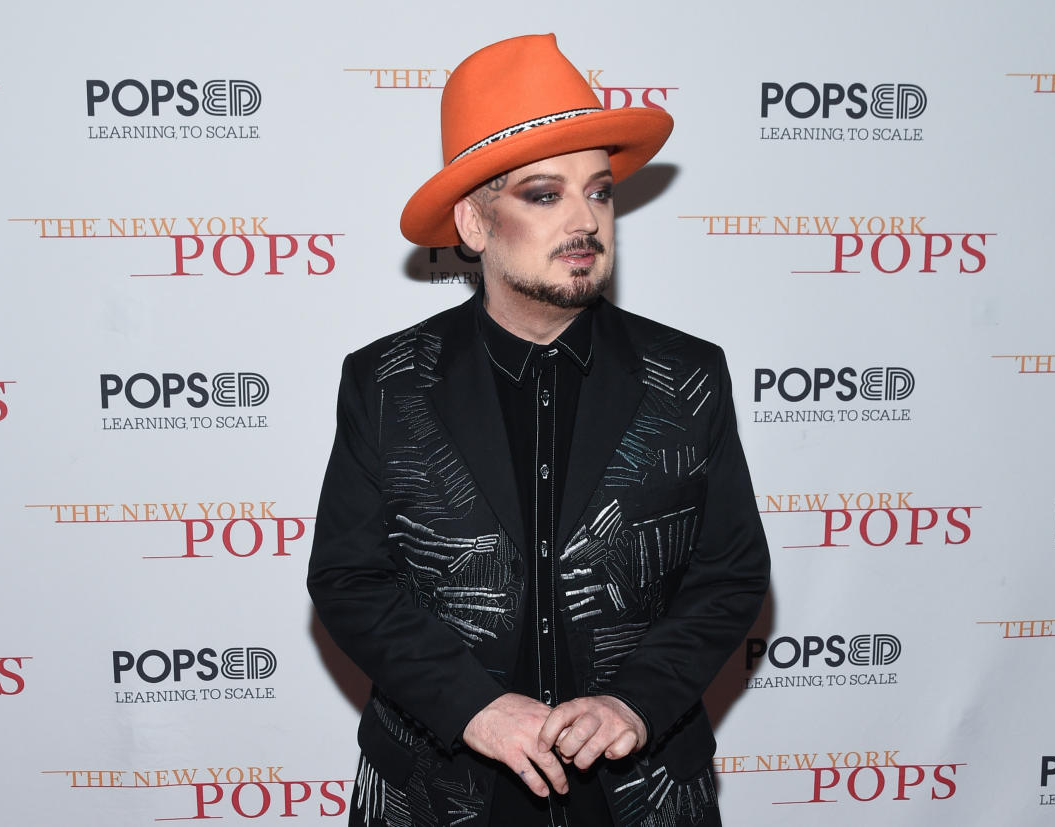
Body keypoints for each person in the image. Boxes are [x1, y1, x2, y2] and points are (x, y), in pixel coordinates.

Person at [308, 33, 770, 827]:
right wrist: (472, 706)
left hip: (639, 792)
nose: (586, 219)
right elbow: (350, 579)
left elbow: (729, 573)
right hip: (441, 790)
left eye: (600, 191)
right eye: (545, 195)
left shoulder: (689, 374)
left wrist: (636, 700)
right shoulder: (385, 381)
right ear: (476, 224)